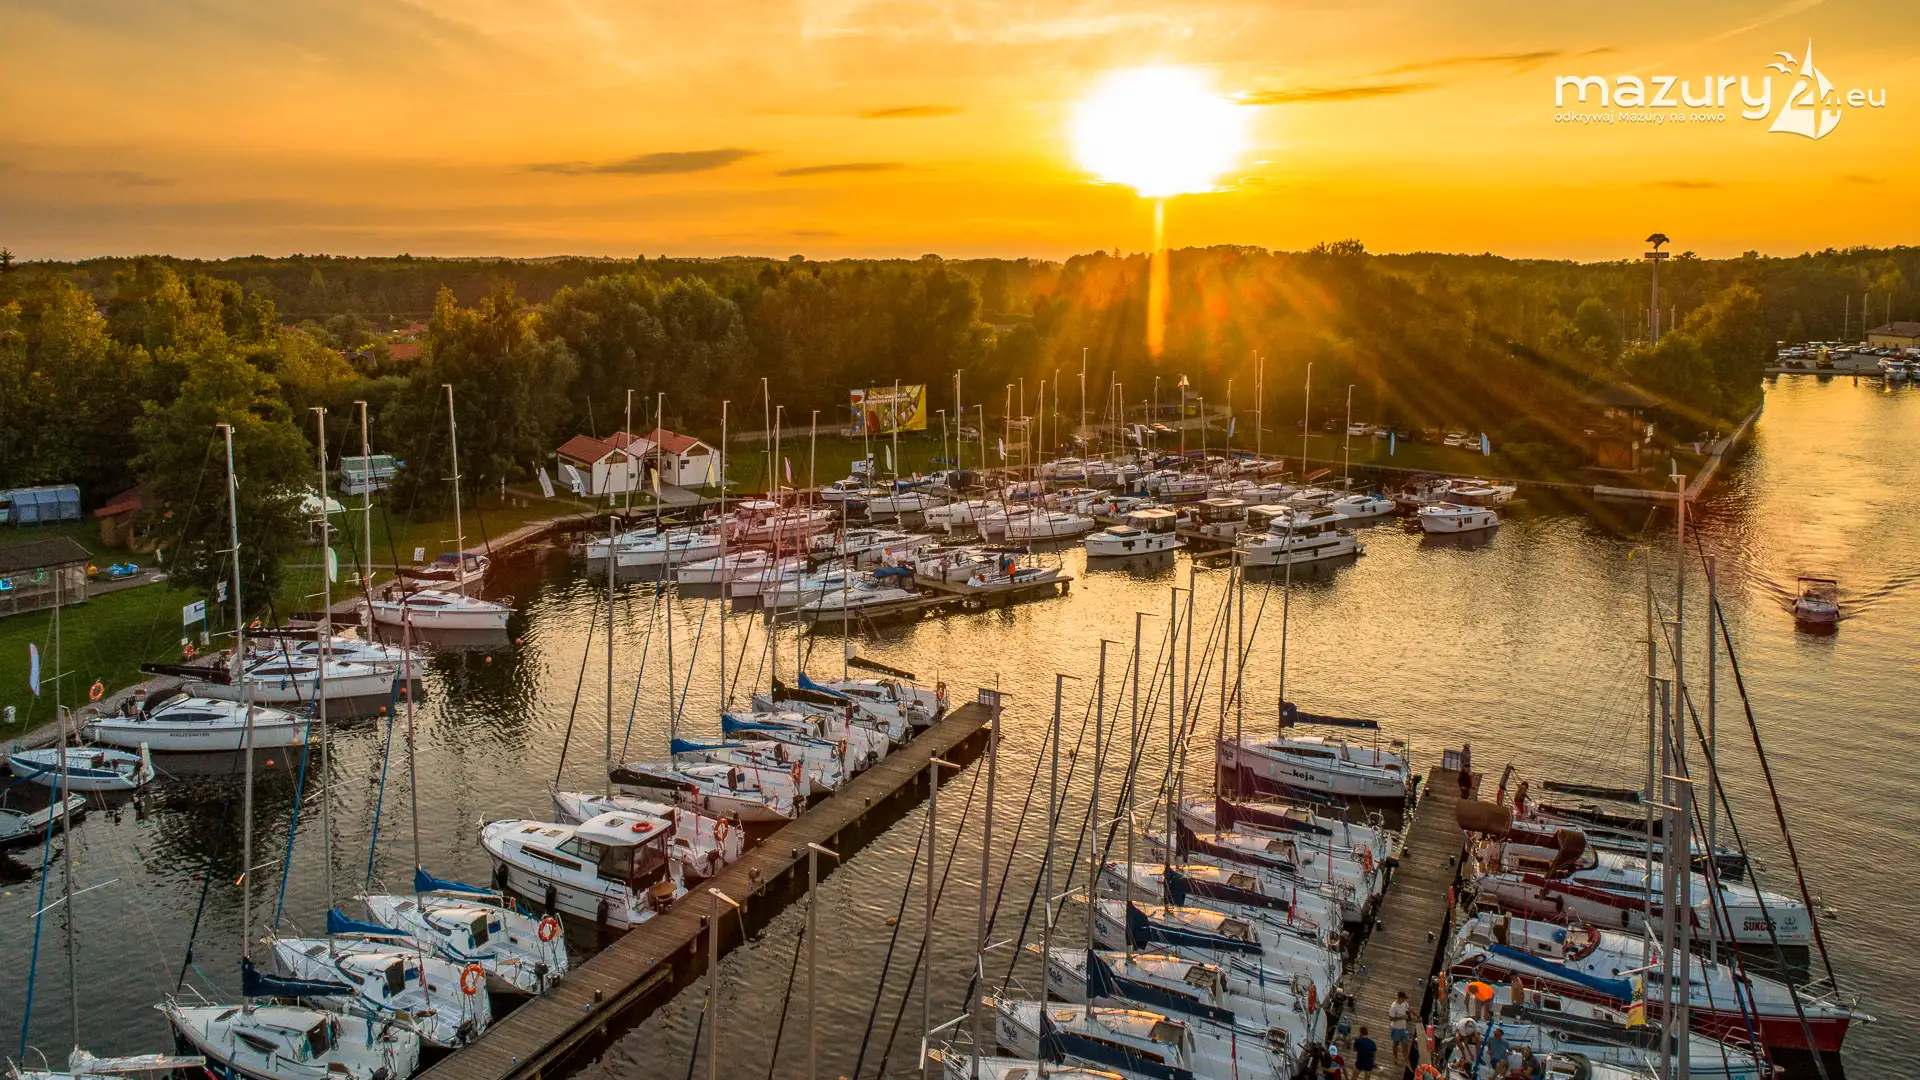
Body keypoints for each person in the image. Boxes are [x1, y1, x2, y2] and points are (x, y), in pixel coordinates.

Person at [1388, 991, 1412, 1064]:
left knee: (1406, 1042)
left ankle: (1406, 1058)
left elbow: (1409, 1009)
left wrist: (1417, 1016)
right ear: (1399, 998)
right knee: (1396, 1043)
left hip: (1403, 1028)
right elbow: (1391, 1018)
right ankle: (1395, 1057)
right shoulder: (1394, 1007)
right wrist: (1402, 1017)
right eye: (1403, 998)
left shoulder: (1404, 1003)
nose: (1404, 1000)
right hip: (1396, 1028)